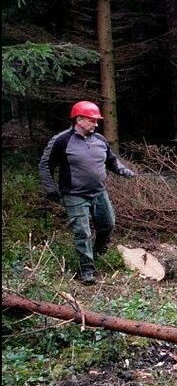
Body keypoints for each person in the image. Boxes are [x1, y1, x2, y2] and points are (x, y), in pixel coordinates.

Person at [38, 101, 136, 284]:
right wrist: (50, 188)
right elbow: (45, 165)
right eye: (92, 120)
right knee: (82, 232)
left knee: (108, 224)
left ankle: (97, 253)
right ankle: (87, 270)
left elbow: (112, 161)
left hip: (99, 192)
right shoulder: (61, 140)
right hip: (74, 195)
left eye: (97, 120)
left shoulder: (100, 140)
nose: (96, 124)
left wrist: (123, 170)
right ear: (79, 119)